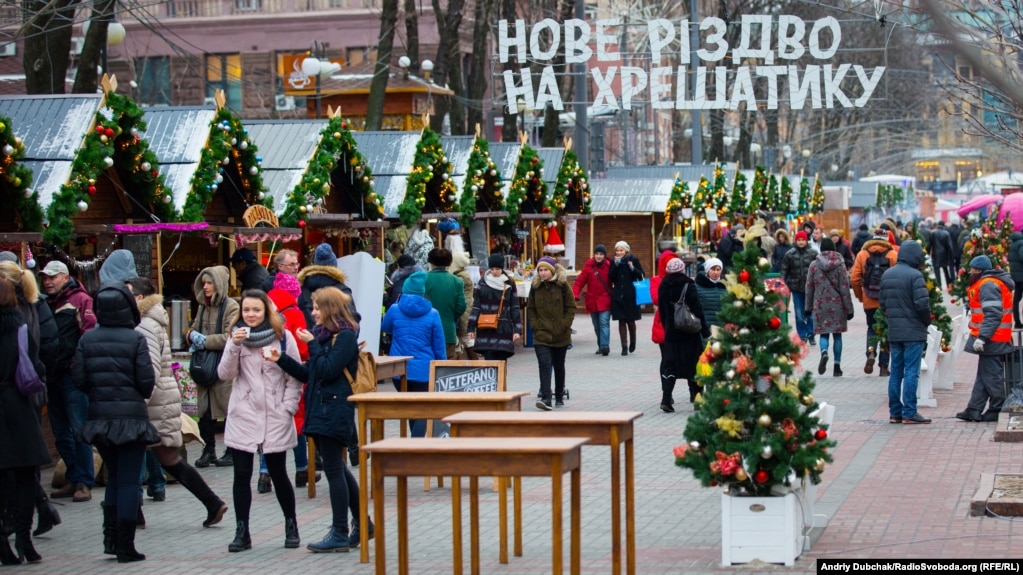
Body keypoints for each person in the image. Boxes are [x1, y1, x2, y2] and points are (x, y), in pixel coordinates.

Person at [272, 287, 371, 552]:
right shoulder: (325, 337)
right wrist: (280, 359)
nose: (312, 312)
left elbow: (327, 371)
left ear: (329, 309)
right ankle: (363, 523)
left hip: (335, 410)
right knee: (337, 468)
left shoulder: (345, 337)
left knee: (334, 471)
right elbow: (310, 375)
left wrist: (311, 344)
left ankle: (340, 531)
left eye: (316, 308)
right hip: (323, 408)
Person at [124, 277, 228, 529]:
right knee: (165, 457)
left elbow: (147, 370)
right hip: (159, 399)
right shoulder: (148, 321)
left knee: (138, 456)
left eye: (126, 293)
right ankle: (212, 503)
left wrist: (138, 402)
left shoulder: (144, 326)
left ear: (138, 298)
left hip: (153, 401)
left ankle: (132, 515)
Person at [74, 282, 159, 561]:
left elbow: (80, 379)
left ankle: (110, 538)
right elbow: (147, 382)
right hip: (132, 418)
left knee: (114, 479)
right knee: (129, 481)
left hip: (100, 418)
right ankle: (125, 545)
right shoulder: (135, 339)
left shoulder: (87, 340)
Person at [217, 289, 304, 553]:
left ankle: (291, 524)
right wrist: (233, 345)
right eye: (246, 310)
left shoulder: (283, 337)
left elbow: (295, 375)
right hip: (244, 414)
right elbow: (224, 374)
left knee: (278, 474)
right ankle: (242, 531)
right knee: (241, 475)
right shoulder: (236, 339)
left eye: (256, 310)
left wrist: (288, 407)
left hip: (275, 414)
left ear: (267, 311)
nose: (251, 315)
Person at [0, 261, 61, 538]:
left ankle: (18, 522)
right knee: (22, 465)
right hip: (26, 392)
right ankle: (37, 515)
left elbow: (45, 348)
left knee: (17, 466)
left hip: (22, 393)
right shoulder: (33, 308)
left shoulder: (26, 311)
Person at [40, 260, 96, 502]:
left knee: (78, 429)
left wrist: (77, 367)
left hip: (71, 377)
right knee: (61, 431)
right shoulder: (45, 303)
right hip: (52, 376)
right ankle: (73, 477)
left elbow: (88, 336)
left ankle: (84, 481)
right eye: (44, 277)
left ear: (65, 277)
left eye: (52, 277)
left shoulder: (81, 301)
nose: (47, 281)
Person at [260, 272, 317, 494]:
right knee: (297, 422)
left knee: (266, 425)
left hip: (267, 376)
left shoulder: (262, 311)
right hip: (292, 374)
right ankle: (302, 468)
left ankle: (264, 474)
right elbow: (303, 350)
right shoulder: (295, 313)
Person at [187, 266, 240, 469]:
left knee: (227, 409)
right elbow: (194, 326)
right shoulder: (203, 306)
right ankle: (208, 450)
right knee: (205, 411)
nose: (206, 287)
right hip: (204, 366)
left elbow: (230, 337)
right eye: (204, 283)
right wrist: (190, 334)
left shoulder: (231, 306)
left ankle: (232, 450)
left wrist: (205, 340)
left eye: (209, 283)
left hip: (223, 364)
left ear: (218, 284)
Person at [381, 271, 447, 434]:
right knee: (422, 409)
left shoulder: (395, 309)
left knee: (411, 407)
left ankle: (414, 444)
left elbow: (385, 328)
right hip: (424, 370)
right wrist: (443, 366)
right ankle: (416, 444)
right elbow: (438, 344)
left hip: (399, 369)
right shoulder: (433, 314)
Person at [877, 240, 932, 424]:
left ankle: (895, 413)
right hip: (914, 331)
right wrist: (927, 321)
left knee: (896, 373)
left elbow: (883, 304)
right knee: (911, 372)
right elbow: (922, 304)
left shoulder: (887, 275)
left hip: (895, 331)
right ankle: (909, 412)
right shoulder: (915, 276)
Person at [956, 255, 1015, 423]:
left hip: (993, 338)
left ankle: (997, 407)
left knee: (992, 375)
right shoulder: (988, 282)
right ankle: (974, 409)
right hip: (994, 336)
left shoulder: (988, 284)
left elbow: (993, 314)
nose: (970, 272)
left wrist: (982, 338)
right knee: (984, 374)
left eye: (973, 270)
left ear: (979, 270)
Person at [657, 258, 709, 412]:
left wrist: (667, 327)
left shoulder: (663, 285)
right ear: (682, 270)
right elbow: (698, 309)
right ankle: (697, 399)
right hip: (690, 332)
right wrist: (704, 329)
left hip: (672, 333)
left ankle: (666, 398)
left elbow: (662, 309)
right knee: (693, 365)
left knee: (669, 365)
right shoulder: (689, 285)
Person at [528, 257, 575, 410]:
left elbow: (571, 307)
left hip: (560, 333)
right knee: (544, 364)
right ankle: (546, 398)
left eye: (545, 270)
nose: (542, 273)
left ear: (552, 270)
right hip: (541, 334)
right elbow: (531, 309)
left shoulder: (562, 286)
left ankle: (559, 394)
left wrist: (564, 325)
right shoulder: (535, 287)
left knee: (559, 365)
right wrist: (535, 325)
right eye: (540, 270)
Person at [850, 229, 899, 377]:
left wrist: (861, 295)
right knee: (887, 331)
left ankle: (871, 352)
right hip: (888, 301)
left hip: (869, 300)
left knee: (872, 329)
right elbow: (897, 277)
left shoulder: (862, 254)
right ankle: (883, 366)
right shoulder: (892, 255)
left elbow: (854, 278)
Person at [805, 238, 855, 377]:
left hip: (820, 304)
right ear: (834, 249)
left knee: (824, 333)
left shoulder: (814, 265)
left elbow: (809, 288)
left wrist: (808, 307)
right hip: (837, 305)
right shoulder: (840, 265)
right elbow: (845, 287)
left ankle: (824, 352)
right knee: (837, 335)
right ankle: (837, 367)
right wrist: (849, 309)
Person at [468, 254, 521, 362]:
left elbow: (514, 307)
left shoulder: (509, 283)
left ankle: (501, 380)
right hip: (486, 327)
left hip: (503, 328)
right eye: (492, 269)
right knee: (489, 363)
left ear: (502, 268)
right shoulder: (483, 282)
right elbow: (476, 306)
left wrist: (517, 329)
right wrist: (471, 327)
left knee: (501, 363)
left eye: (497, 269)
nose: (494, 271)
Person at [298, 243, 357, 329]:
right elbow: (353, 321)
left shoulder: (303, 289)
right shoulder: (342, 290)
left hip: (307, 340)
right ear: (334, 265)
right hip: (337, 340)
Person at [423, 248, 467, 360]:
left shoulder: (423, 279)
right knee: (446, 369)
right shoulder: (457, 281)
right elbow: (461, 306)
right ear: (449, 262)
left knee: (426, 368)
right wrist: (451, 317)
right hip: (447, 331)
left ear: (430, 262)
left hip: (425, 331)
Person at [572, 244, 613, 355]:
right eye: (597, 254)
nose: (598, 256)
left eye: (601, 254)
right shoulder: (588, 268)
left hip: (605, 300)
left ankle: (605, 346)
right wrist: (575, 294)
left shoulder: (610, 267)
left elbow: (617, 279)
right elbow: (579, 282)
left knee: (604, 323)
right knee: (597, 326)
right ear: (594, 255)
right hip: (593, 301)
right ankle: (601, 346)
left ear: (604, 255)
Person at [781, 231, 818, 345]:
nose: (801, 242)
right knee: (799, 314)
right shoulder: (790, 254)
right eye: (799, 240)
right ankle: (802, 335)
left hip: (810, 288)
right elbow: (784, 269)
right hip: (796, 288)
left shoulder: (813, 253)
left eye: (803, 240)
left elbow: (818, 268)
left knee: (811, 314)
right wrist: (783, 283)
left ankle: (811, 334)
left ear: (806, 240)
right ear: (796, 241)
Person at [609, 240, 645, 356]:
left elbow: (641, 275)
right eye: (617, 250)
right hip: (619, 295)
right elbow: (611, 277)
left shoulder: (633, 260)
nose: (619, 253)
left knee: (631, 321)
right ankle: (624, 346)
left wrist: (632, 268)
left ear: (626, 251)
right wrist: (615, 265)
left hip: (631, 295)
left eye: (621, 250)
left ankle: (633, 342)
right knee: (621, 321)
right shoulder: (613, 261)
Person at [649, 250, 678, 358]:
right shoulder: (656, 280)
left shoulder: (683, 280)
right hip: (663, 320)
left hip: (680, 320)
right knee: (666, 357)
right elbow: (656, 299)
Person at [449, 251, 477, 359]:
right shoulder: (462, 275)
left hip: (463, 313)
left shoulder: (460, 278)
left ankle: (476, 368)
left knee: (466, 341)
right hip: (466, 311)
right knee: (463, 342)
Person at [694, 257, 727, 329]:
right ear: (707, 270)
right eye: (713, 269)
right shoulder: (698, 286)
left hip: (721, 328)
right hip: (704, 328)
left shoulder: (724, 286)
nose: (715, 272)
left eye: (718, 269)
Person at [929, 221, 956, 290]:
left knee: (937, 270)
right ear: (943, 226)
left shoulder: (933, 233)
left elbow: (930, 244)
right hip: (944, 254)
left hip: (935, 254)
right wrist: (951, 255)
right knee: (945, 269)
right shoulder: (946, 233)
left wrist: (928, 252)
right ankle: (948, 283)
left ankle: (939, 285)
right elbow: (950, 246)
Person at [1011, 231, 1023, 328]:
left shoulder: (1013, 244)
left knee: (1016, 299)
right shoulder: (1021, 243)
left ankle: (1017, 322)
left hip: (1015, 276)